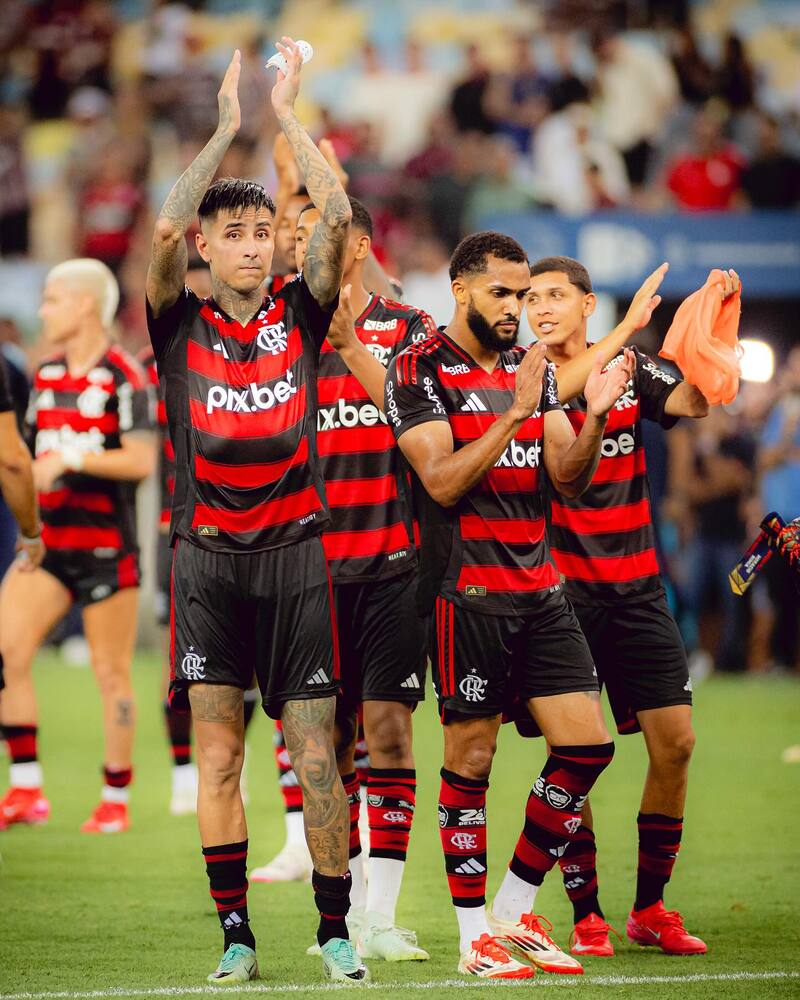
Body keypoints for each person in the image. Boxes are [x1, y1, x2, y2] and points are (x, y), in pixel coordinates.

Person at [144, 42, 369, 985]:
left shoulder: (302, 314)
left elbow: (343, 215)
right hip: (205, 560)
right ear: (209, 246)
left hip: (293, 557)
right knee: (220, 749)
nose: (247, 245)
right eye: (230, 234)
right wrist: (228, 129)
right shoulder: (176, 319)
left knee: (316, 746)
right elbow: (160, 233)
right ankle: (236, 935)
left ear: (276, 242)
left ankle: (333, 930)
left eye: (260, 232)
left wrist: (285, 115)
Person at [383, 232, 636, 979]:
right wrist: (513, 411)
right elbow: (441, 481)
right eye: (502, 293)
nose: (517, 309)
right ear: (461, 290)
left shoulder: (533, 370)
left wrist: (591, 415)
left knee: (588, 745)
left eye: (524, 295)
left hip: (540, 588)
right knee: (473, 758)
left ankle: (511, 909)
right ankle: (472, 941)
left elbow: (567, 479)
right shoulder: (418, 369)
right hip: (468, 592)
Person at [524, 255, 740, 958]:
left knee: (675, 744)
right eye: (532, 297)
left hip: (640, 587)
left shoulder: (634, 369)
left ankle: (650, 908)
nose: (541, 307)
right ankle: (586, 913)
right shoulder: (528, 376)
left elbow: (695, 402)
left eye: (556, 295)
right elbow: (569, 396)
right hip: (563, 597)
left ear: (586, 304)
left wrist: (705, 329)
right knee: (576, 751)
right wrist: (626, 331)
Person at [253, 197, 436, 961]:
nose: (297, 249)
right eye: (292, 240)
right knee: (328, 739)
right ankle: (347, 904)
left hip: (395, 562)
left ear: (357, 246)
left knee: (389, 732)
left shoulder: (413, 330)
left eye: (313, 236)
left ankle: (381, 917)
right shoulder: (274, 331)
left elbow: (422, 430)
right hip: (308, 570)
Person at [0, 257, 154, 833]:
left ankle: (114, 798)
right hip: (49, 547)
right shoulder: (45, 375)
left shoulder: (125, 375)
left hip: (106, 548)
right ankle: (26, 790)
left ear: (84, 304)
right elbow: (29, 458)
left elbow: (139, 461)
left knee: (111, 674)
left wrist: (72, 459)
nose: (43, 311)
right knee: (7, 653)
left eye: (52, 300)